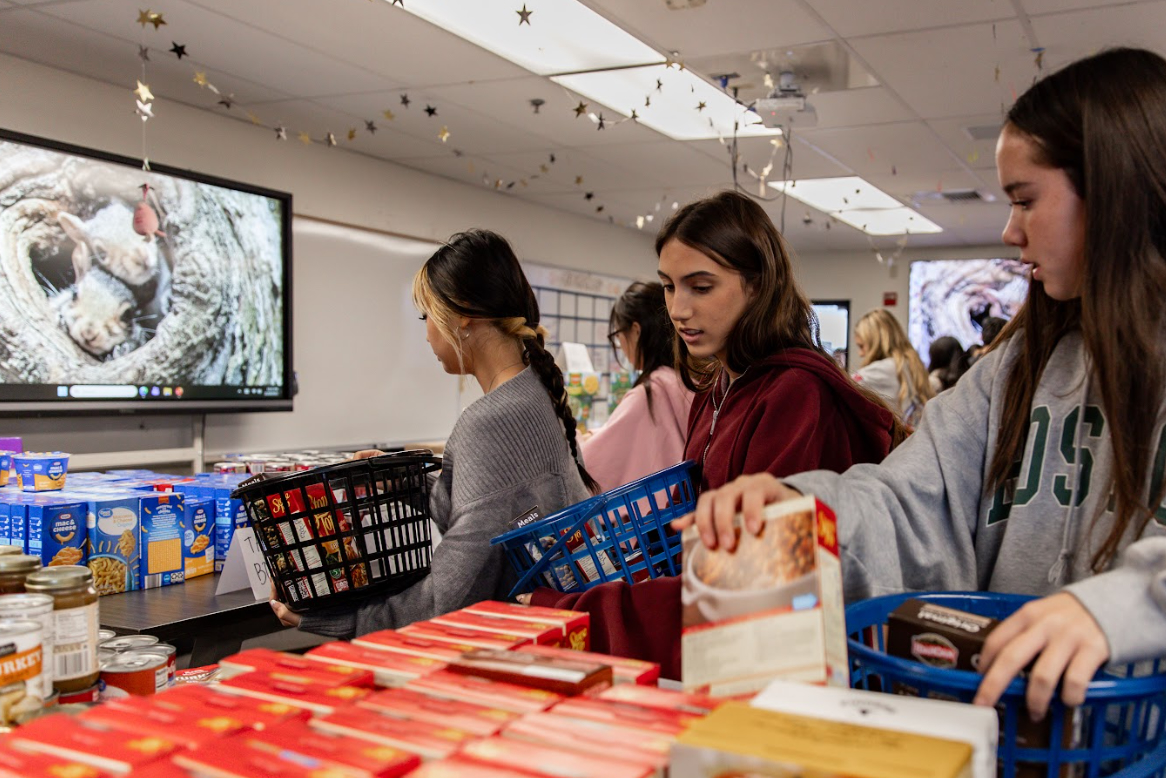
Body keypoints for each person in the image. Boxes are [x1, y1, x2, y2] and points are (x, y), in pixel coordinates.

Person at [686, 48, 1166, 778]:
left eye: (1024, 199)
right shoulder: (1023, 362)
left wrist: (1140, 606)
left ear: (1120, 191)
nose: (1010, 231)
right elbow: (912, 500)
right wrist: (804, 514)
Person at [531, 190, 903, 675]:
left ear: (757, 286)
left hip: (785, 667)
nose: (678, 309)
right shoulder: (715, 390)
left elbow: (750, 587)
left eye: (700, 287)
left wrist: (577, 611)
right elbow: (692, 535)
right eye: (669, 287)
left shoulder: (796, 395)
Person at [273, 229, 595, 638]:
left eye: (426, 317)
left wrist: (338, 619)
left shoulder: (491, 422)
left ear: (463, 314)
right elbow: (491, 518)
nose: (426, 333)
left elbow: (450, 596)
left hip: (511, 643)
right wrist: (402, 481)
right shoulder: (536, 394)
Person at [579, 281, 693, 491]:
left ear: (635, 331)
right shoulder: (686, 379)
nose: (620, 345)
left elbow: (592, 461)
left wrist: (577, 438)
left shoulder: (649, 393)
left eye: (618, 335)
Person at [851, 308, 934, 423]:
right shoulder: (912, 364)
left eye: (861, 346)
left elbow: (844, 387)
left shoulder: (878, 372)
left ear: (876, 342)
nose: (860, 354)